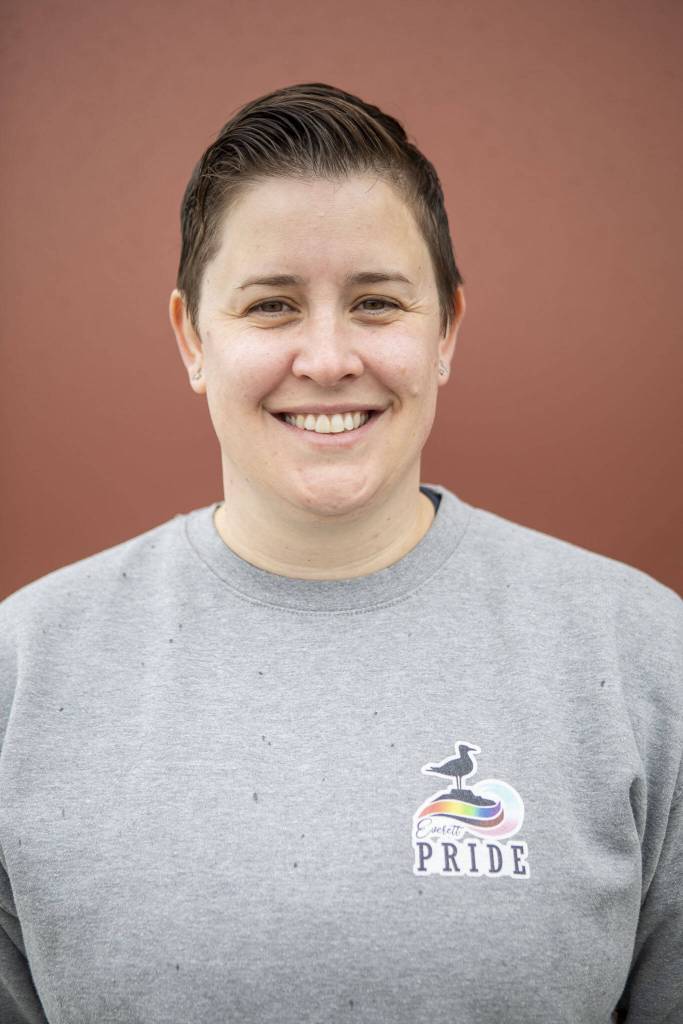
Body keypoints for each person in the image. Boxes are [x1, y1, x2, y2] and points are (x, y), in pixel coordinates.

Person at [0, 82, 680, 1024]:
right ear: (192, 337)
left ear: (444, 329)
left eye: (375, 302)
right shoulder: (24, 669)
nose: (326, 358)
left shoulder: (642, 655)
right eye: (272, 305)